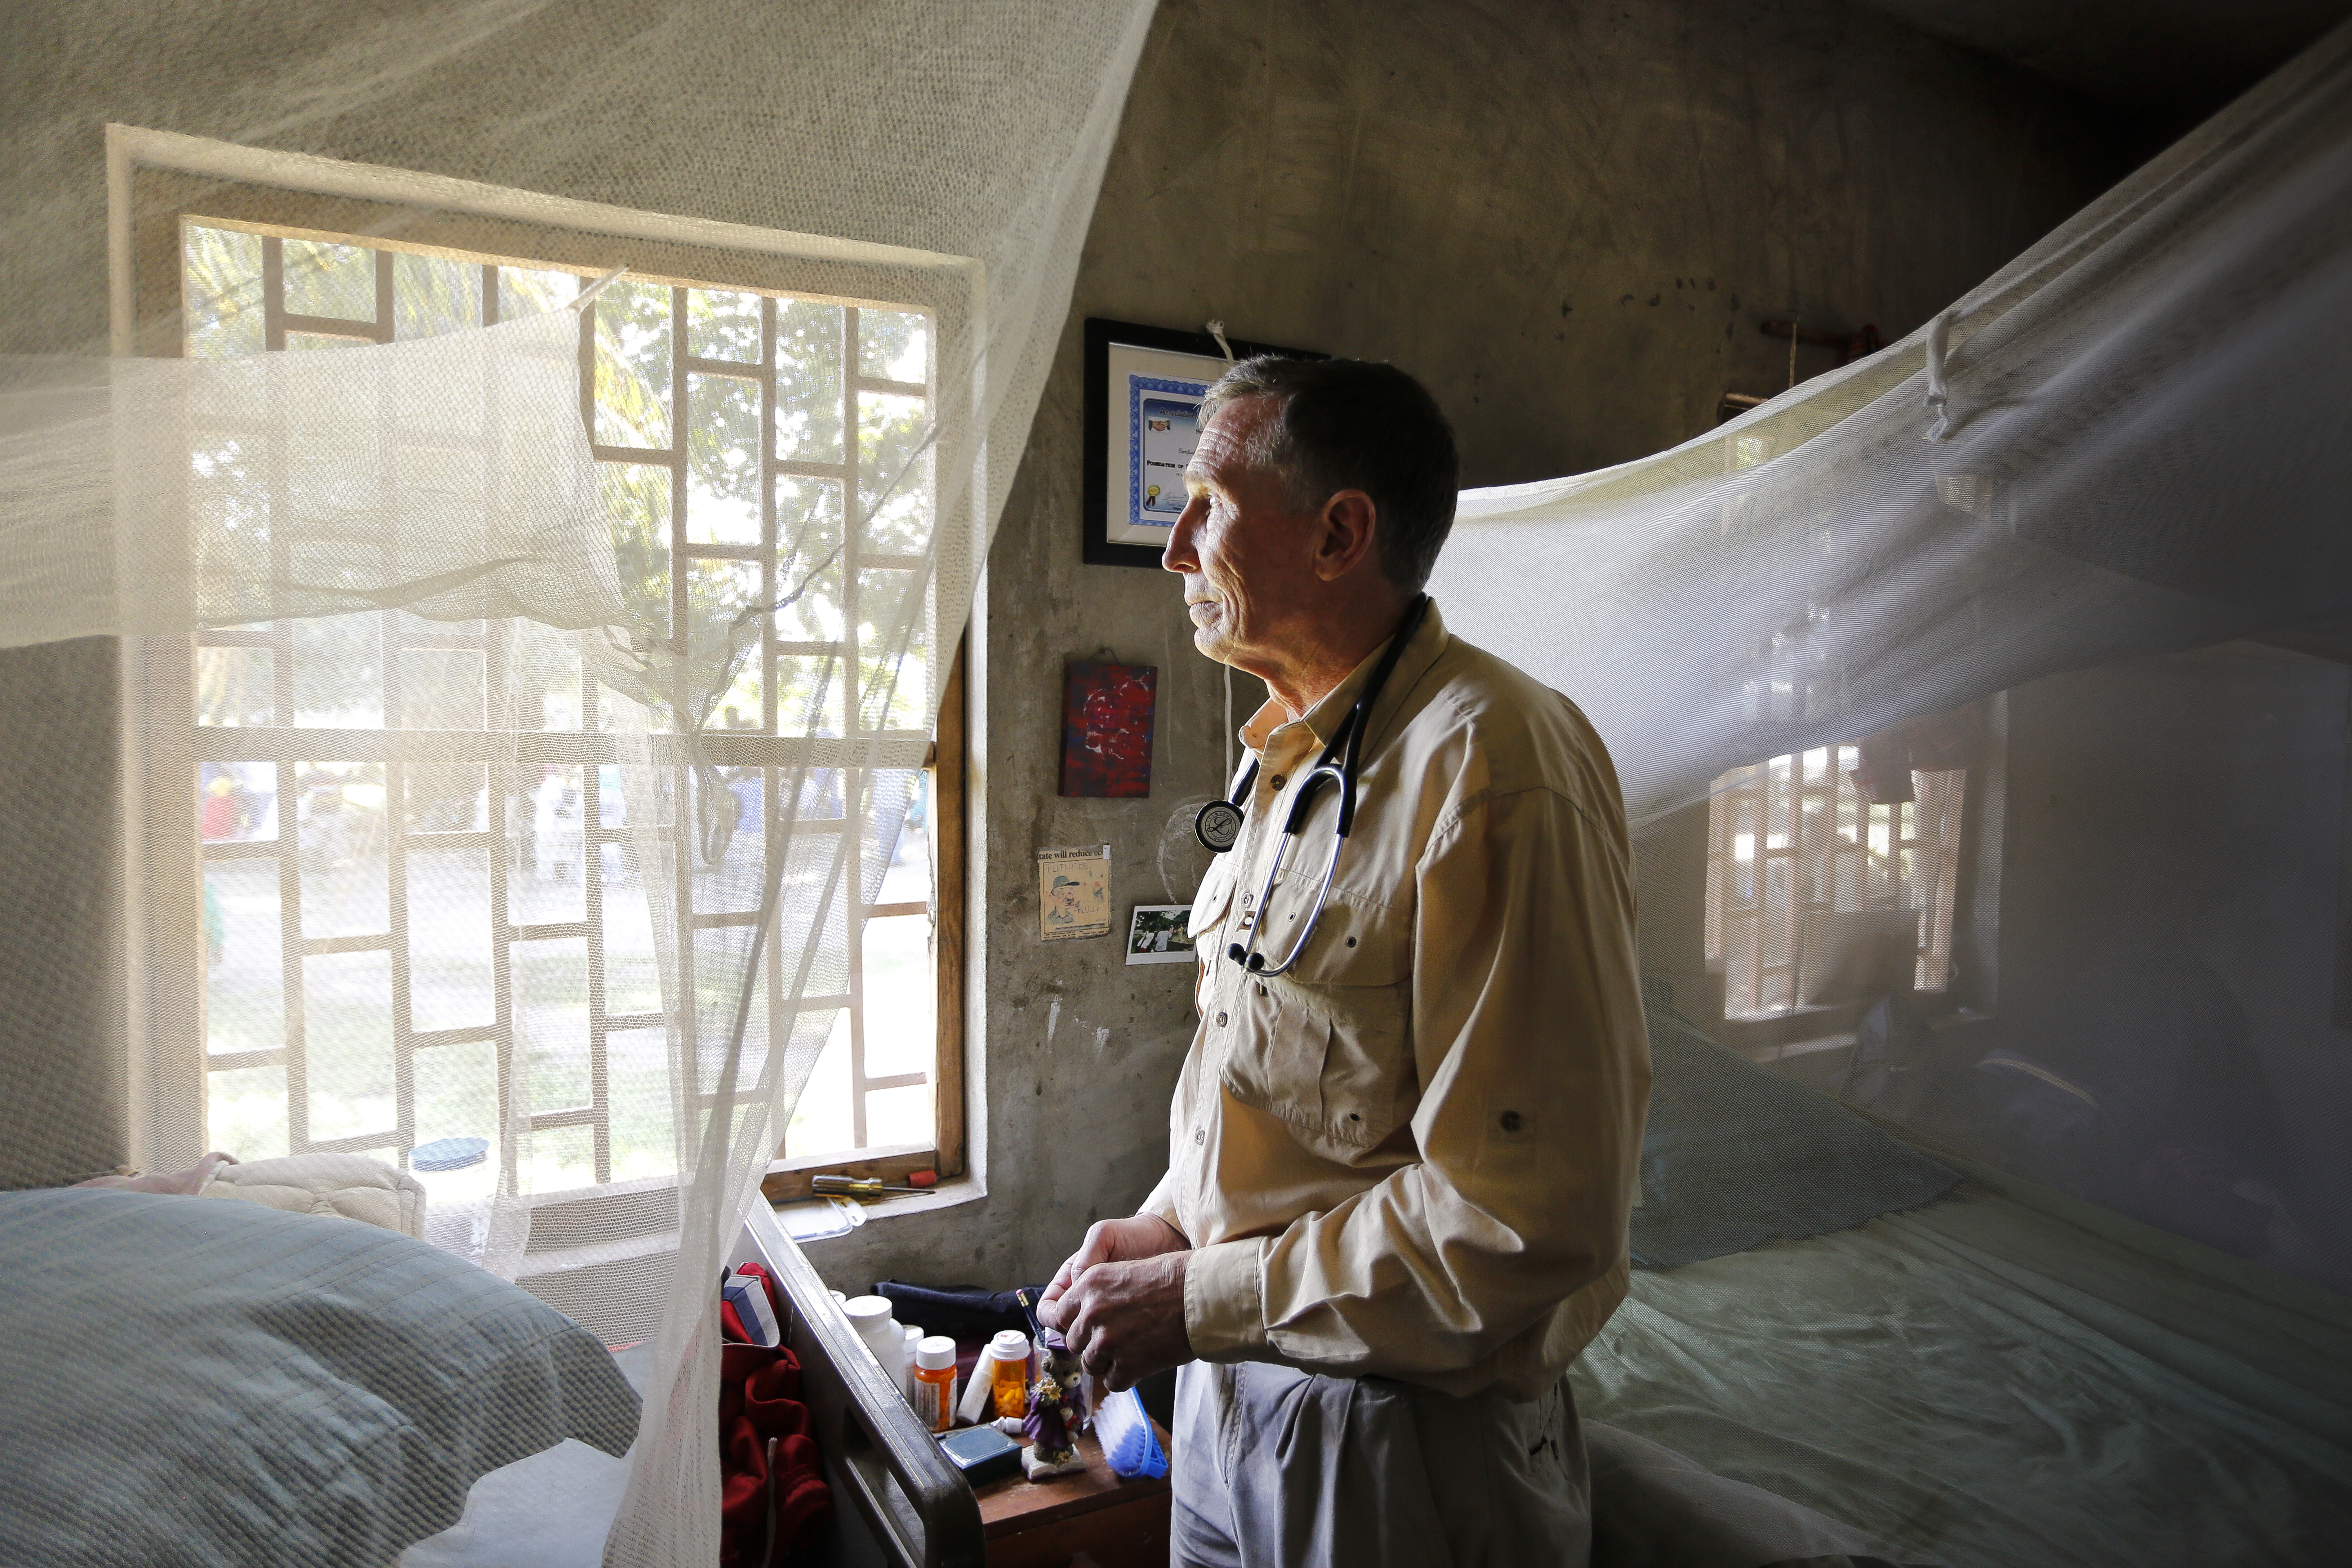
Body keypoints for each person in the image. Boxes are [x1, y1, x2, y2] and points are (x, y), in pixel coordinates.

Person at [1035, 355, 1649, 1566]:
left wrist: (1200, 1297)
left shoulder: (1497, 770)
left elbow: (1521, 1219)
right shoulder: (1297, 759)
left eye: (1206, 505)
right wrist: (1170, 1232)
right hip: (1235, 1397)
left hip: (1398, 1450)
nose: (1174, 552)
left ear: (1340, 535)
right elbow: (1285, 1101)